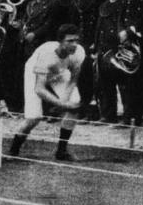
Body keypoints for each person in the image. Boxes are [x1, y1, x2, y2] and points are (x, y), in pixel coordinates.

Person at [8, 24, 85, 161]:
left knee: (74, 103)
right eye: (70, 41)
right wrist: (63, 105)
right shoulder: (47, 55)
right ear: (60, 41)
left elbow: (73, 79)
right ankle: (13, 150)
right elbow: (39, 89)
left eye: (76, 40)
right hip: (35, 71)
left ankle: (61, 151)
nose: (74, 44)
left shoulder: (79, 52)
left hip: (59, 71)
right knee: (34, 117)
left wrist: (64, 103)